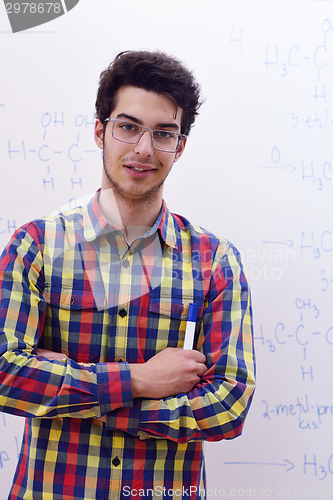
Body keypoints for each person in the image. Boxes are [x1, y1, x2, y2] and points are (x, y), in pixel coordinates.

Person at [0, 50, 255, 500]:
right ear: (101, 131)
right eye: (128, 126)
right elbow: (5, 372)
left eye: (163, 133)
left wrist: (92, 399)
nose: (143, 149)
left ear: (181, 146)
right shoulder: (35, 247)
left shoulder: (215, 263)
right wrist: (138, 381)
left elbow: (227, 407)